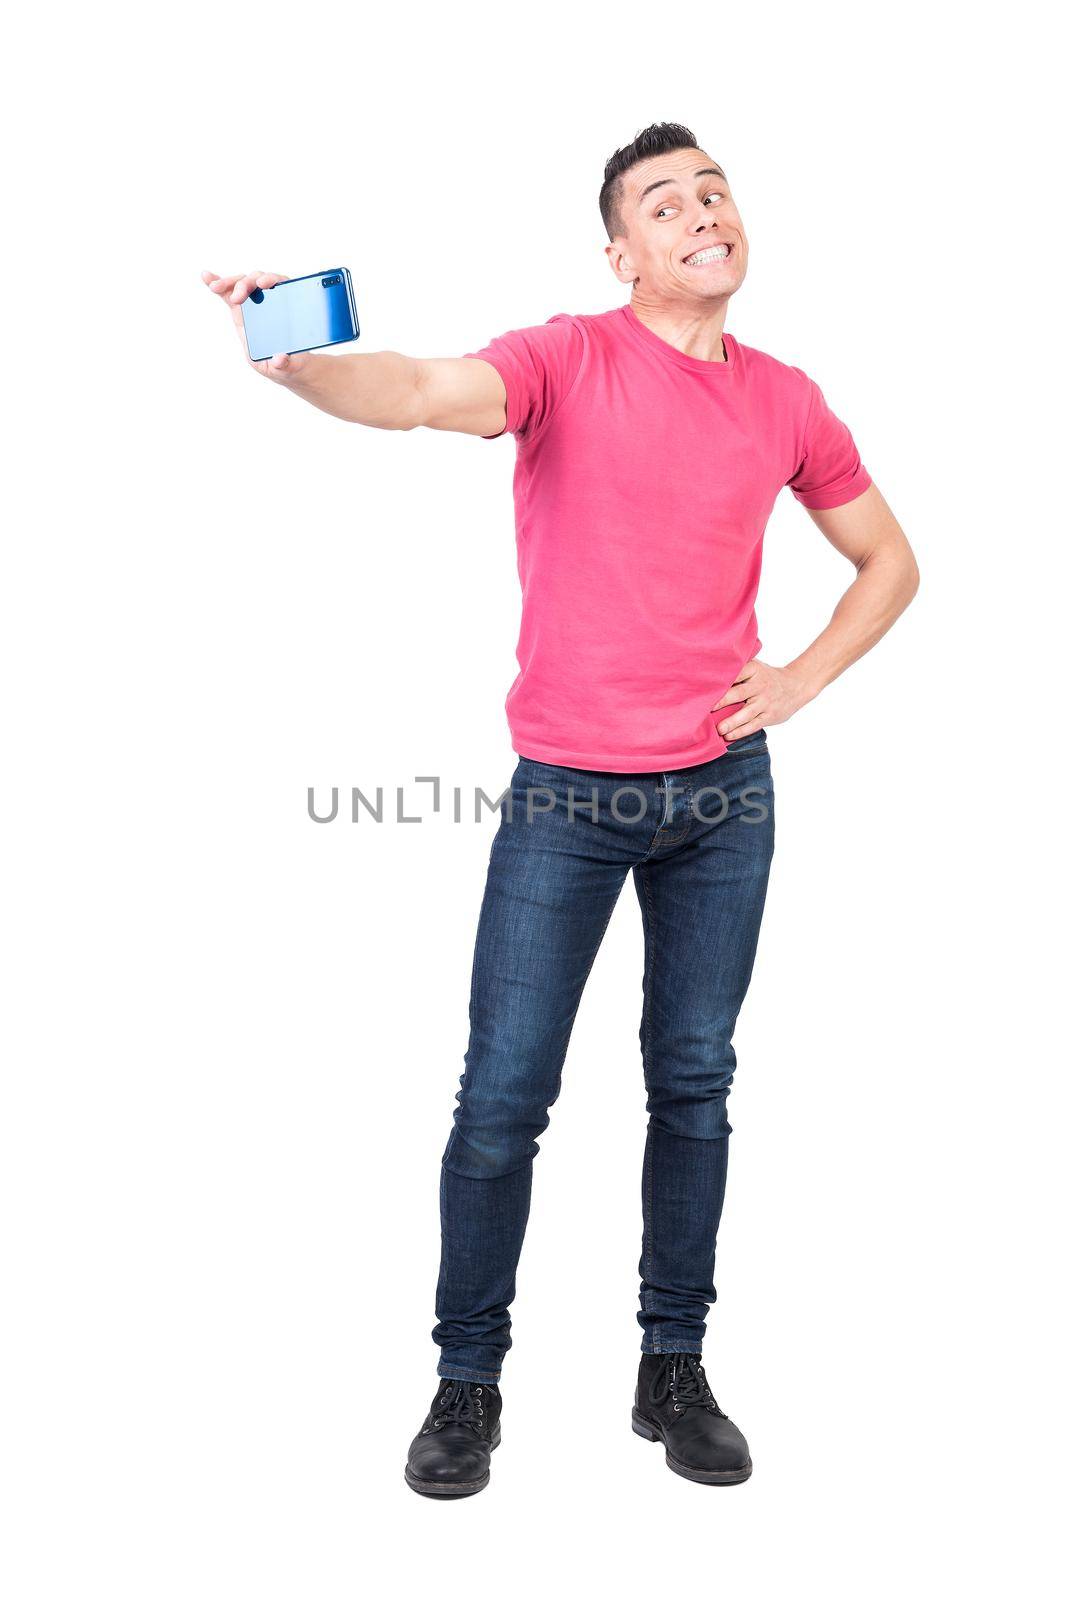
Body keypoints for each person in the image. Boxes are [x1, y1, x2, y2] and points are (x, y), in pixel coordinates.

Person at [204, 120, 919, 1499]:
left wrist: (801, 682)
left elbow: (889, 558)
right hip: (568, 798)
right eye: (667, 200)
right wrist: (299, 372)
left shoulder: (789, 399)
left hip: (724, 796)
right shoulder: (564, 358)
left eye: (715, 189)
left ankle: (673, 1367)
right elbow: (414, 388)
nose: (703, 210)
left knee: (695, 1087)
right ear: (623, 253)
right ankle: (466, 1383)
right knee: (501, 1100)